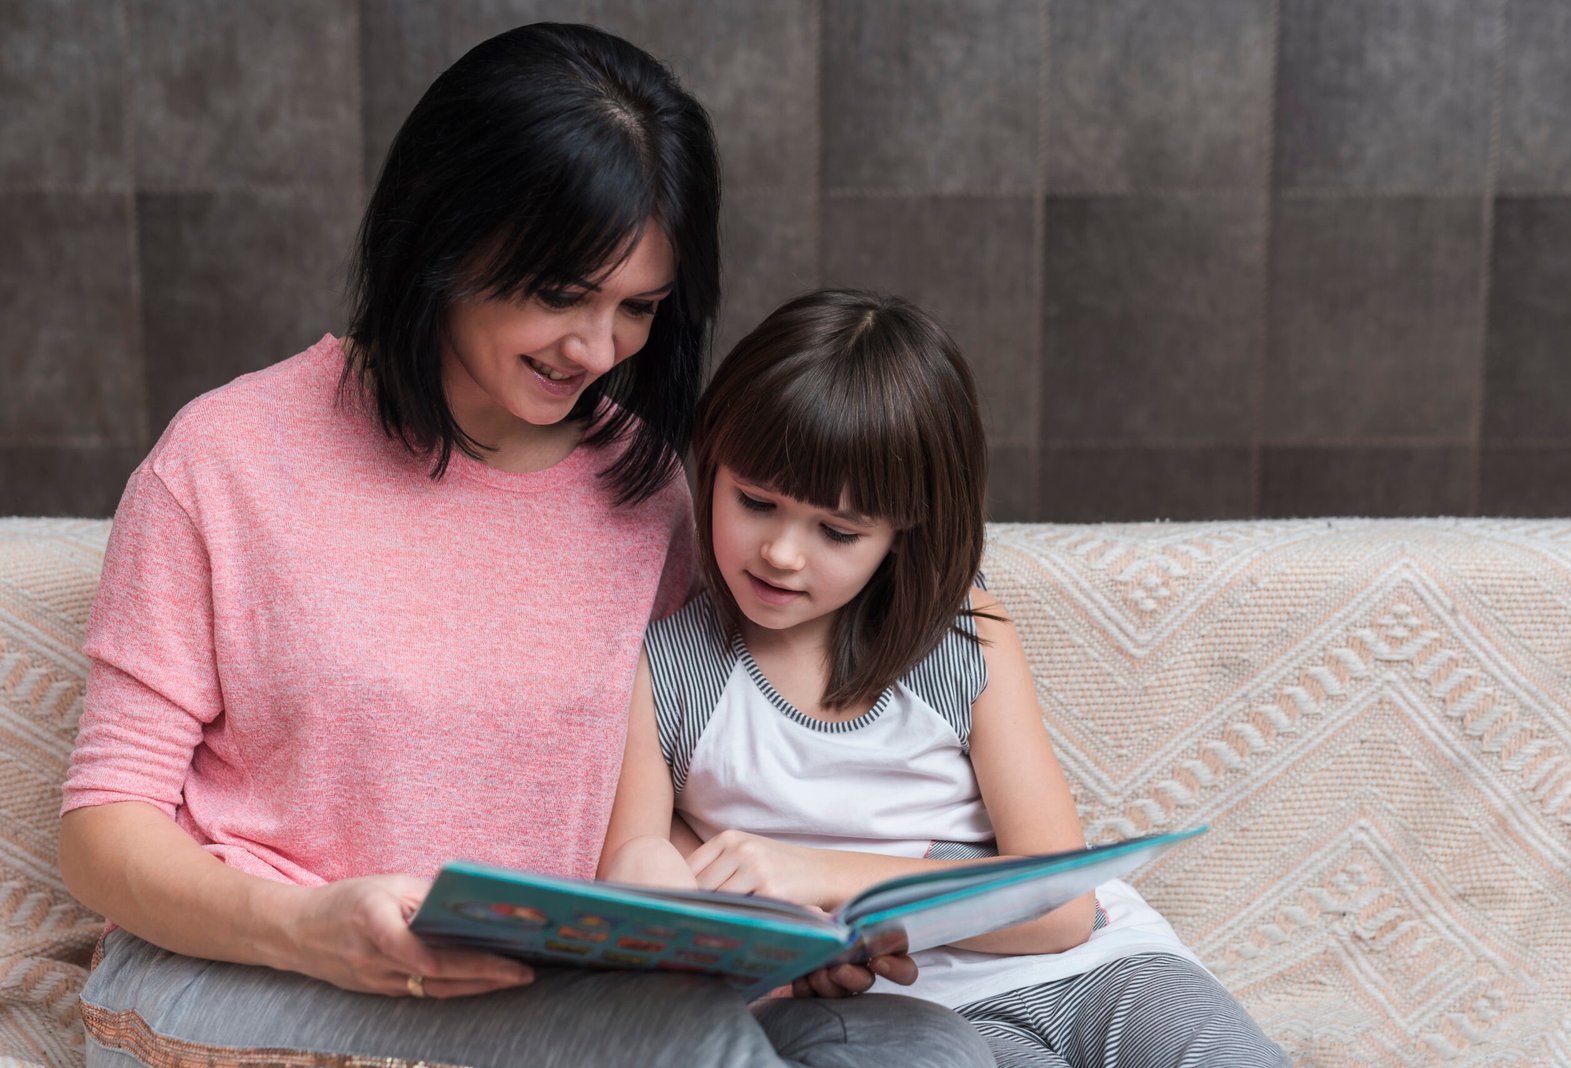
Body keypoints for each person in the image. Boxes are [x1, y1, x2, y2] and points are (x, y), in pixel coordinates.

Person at [56, 25, 994, 1068]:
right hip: (243, 971)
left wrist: (775, 935)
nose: (597, 351)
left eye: (637, 309)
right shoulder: (224, 461)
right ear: (443, 236)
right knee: (693, 1049)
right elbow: (102, 829)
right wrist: (308, 931)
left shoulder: (648, 490)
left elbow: (663, 813)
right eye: (559, 296)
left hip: (547, 990)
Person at [599, 289, 1290, 1067]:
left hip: (1098, 968)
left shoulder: (963, 639)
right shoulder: (667, 671)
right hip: (907, 1013)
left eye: (837, 531)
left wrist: (820, 877)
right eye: (755, 502)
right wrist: (771, 948)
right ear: (711, 467)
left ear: (900, 535)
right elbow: (640, 871)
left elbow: (1061, 909)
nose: (783, 554)